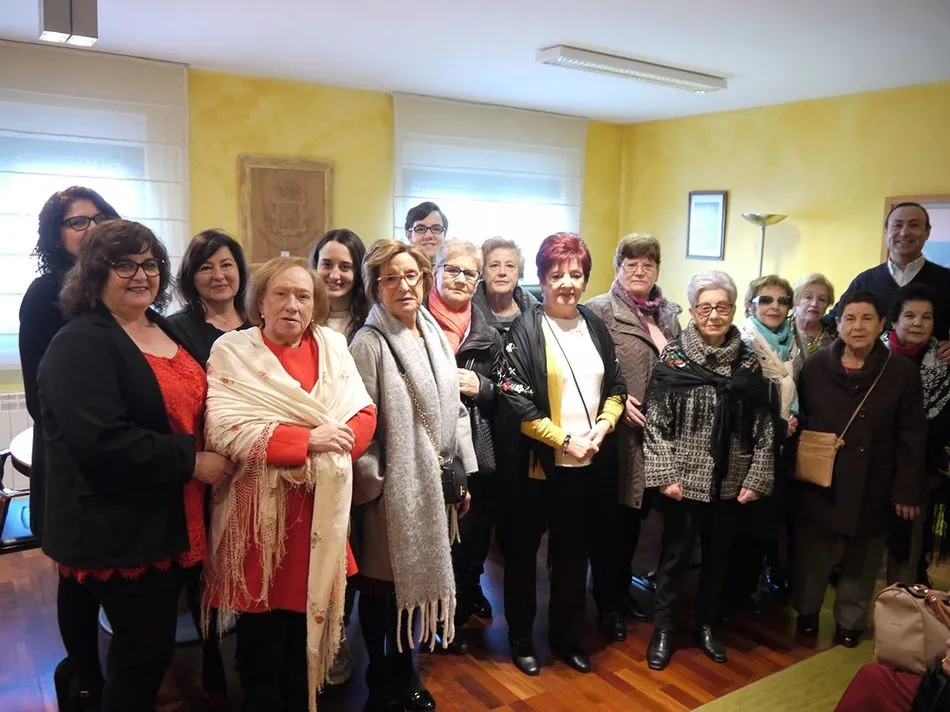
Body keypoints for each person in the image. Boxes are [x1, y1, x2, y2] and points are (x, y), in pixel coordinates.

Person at [37, 219, 235, 712]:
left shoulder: (157, 325)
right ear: (94, 272)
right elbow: (101, 442)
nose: (141, 274)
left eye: (150, 264)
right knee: (141, 656)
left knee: (150, 648)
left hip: (172, 513)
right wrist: (193, 461)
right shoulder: (79, 342)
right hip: (122, 527)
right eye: (123, 264)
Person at [203, 256, 376, 711]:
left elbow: (363, 413)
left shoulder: (333, 346)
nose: (292, 305)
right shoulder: (232, 351)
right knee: (259, 637)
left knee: (305, 636)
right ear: (260, 302)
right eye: (280, 294)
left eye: (303, 296)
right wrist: (308, 441)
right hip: (259, 521)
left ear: (315, 305)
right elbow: (224, 429)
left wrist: (334, 449)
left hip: (321, 514)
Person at [350, 239, 476, 712]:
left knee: (419, 583)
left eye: (411, 276)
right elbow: (359, 425)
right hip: (391, 492)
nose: (403, 286)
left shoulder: (432, 331)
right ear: (375, 286)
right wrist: (378, 483)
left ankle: (408, 671)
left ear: (424, 280)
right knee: (381, 591)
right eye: (391, 278)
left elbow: (454, 409)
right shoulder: (368, 343)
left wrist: (461, 473)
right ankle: (380, 678)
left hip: (433, 486)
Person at [497, 232, 626, 676]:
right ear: (541, 278)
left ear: (586, 278)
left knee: (573, 557)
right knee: (522, 556)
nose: (567, 283)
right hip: (537, 467)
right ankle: (520, 639)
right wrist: (564, 440)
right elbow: (515, 399)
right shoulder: (523, 329)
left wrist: (604, 426)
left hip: (586, 465)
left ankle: (566, 636)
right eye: (556, 275)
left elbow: (617, 386)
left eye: (575, 274)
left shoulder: (595, 325)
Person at [18, 186, 119, 710]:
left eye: (99, 218)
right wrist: (98, 437)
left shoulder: (119, 287)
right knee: (78, 578)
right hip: (71, 463)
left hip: (120, 459)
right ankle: (83, 676)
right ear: (56, 236)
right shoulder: (44, 294)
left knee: (117, 577)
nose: (91, 228)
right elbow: (39, 398)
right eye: (78, 222)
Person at [643, 270, 774, 671]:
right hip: (683, 480)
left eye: (722, 307)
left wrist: (757, 476)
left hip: (730, 480)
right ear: (693, 310)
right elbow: (655, 423)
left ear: (733, 310)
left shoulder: (748, 361)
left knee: (719, 557)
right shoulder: (674, 357)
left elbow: (763, 424)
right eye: (704, 307)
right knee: (675, 558)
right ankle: (664, 629)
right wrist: (666, 474)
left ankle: (705, 624)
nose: (714, 315)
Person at [794, 291, 926, 648]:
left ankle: (850, 620)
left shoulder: (901, 372)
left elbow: (912, 435)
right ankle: (806, 612)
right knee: (813, 553)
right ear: (837, 324)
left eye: (867, 318)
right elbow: (801, 418)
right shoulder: (816, 366)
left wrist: (907, 489)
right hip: (821, 476)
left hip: (875, 478)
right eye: (849, 318)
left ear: (882, 324)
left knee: (864, 556)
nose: (858, 326)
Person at [585, 234, 681, 629]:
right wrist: (617, 400)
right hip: (616, 435)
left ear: (657, 269)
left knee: (636, 519)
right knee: (611, 521)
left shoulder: (669, 314)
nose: (640, 271)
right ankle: (607, 601)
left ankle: (622, 591)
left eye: (648, 264)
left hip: (658, 435)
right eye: (631, 264)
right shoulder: (599, 310)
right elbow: (586, 369)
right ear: (617, 268)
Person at [426, 239, 503, 649]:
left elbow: (509, 390)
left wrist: (483, 386)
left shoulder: (488, 332)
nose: (459, 279)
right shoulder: (415, 322)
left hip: (476, 447)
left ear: (478, 280)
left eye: (469, 273)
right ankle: (435, 617)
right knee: (436, 537)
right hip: (427, 446)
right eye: (451, 269)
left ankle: (463, 600)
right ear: (435, 272)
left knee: (472, 535)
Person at [723, 274, 799, 610]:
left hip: (779, 445)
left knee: (764, 525)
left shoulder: (792, 344)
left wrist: (793, 415)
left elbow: (794, 387)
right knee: (740, 527)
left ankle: (745, 594)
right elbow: (740, 397)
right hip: (746, 446)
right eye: (766, 300)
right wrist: (779, 424)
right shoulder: (742, 341)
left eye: (782, 301)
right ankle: (728, 599)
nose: (775, 307)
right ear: (751, 305)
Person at [882, 284, 950, 586]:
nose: (918, 323)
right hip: (873, 466)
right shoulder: (872, 355)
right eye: (910, 315)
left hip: (923, 471)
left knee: (909, 548)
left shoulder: (944, 362)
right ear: (894, 319)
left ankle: (904, 597)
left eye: (927, 317)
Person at [827, 203, 950, 358]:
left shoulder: (946, 279)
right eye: (897, 225)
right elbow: (832, 323)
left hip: (933, 370)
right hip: (872, 370)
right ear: (886, 232)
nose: (904, 232)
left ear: (927, 232)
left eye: (914, 225)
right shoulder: (865, 281)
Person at [167, 229, 250, 366]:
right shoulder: (175, 329)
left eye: (226, 265)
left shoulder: (260, 322)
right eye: (206, 268)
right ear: (191, 277)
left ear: (239, 271)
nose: (218, 276)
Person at [471, 237, 540, 336]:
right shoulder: (468, 311)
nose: (502, 272)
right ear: (483, 272)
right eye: (494, 265)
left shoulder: (536, 313)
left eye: (510, 266)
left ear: (519, 273)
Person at [312, 228, 369, 342]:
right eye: (327, 265)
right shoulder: (302, 315)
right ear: (316, 266)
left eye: (345, 267)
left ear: (359, 271)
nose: (334, 275)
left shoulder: (371, 319)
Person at [790, 273, 836, 373]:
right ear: (795, 301)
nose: (814, 304)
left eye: (822, 299)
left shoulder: (835, 336)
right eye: (808, 297)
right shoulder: (780, 332)